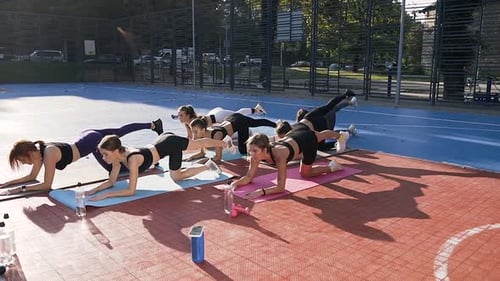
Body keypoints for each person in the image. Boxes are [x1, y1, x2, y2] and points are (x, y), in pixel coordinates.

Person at [0, 119, 163, 195]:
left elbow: (47, 185)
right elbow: (32, 177)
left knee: (114, 162)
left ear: (28, 154)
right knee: (119, 132)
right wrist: (8, 184)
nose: (25, 164)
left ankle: (152, 133)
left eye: (23, 161)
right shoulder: (39, 154)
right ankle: (153, 124)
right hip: (86, 137)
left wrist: (19, 190)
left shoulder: (48, 153)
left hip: (91, 140)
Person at [85, 133, 230, 200]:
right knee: (177, 177)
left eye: (105, 154)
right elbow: (111, 181)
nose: (103, 158)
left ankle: (225, 142)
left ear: (116, 151)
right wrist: (92, 190)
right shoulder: (117, 158)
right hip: (161, 144)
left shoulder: (132, 159)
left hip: (169, 143)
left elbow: (131, 191)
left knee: (198, 144)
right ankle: (207, 166)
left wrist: (107, 195)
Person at [230, 126, 344, 199]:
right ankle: (340, 136)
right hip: (293, 134)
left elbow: (281, 187)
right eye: (250, 151)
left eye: (254, 151)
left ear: (264, 150)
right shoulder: (256, 156)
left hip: (307, 140)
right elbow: (249, 177)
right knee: (321, 134)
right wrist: (235, 184)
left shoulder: (279, 156)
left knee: (305, 173)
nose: (251, 154)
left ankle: (332, 164)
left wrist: (261, 192)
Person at [189, 112, 276, 162]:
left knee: (243, 150)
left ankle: (275, 127)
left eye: (195, 132)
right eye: (192, 131)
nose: (194, 135)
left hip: (239, 122)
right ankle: (275, 126)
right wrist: (191, 158)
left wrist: (203, 162)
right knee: (255, 122)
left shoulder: (216, 136)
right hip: (231, 118)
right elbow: (202, 153)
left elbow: (218, 158)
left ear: (203, 130)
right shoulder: (202, 136)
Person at [174, 103, 267, 139]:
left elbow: (196, 138)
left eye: (181, 115)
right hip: (216, 120)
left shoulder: (194, 122)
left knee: (238, 115)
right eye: (178, 115)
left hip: (218, 116)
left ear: (188, 115)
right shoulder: (187, 124)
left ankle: (256, 109)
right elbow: (190, 137)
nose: (179, 117)